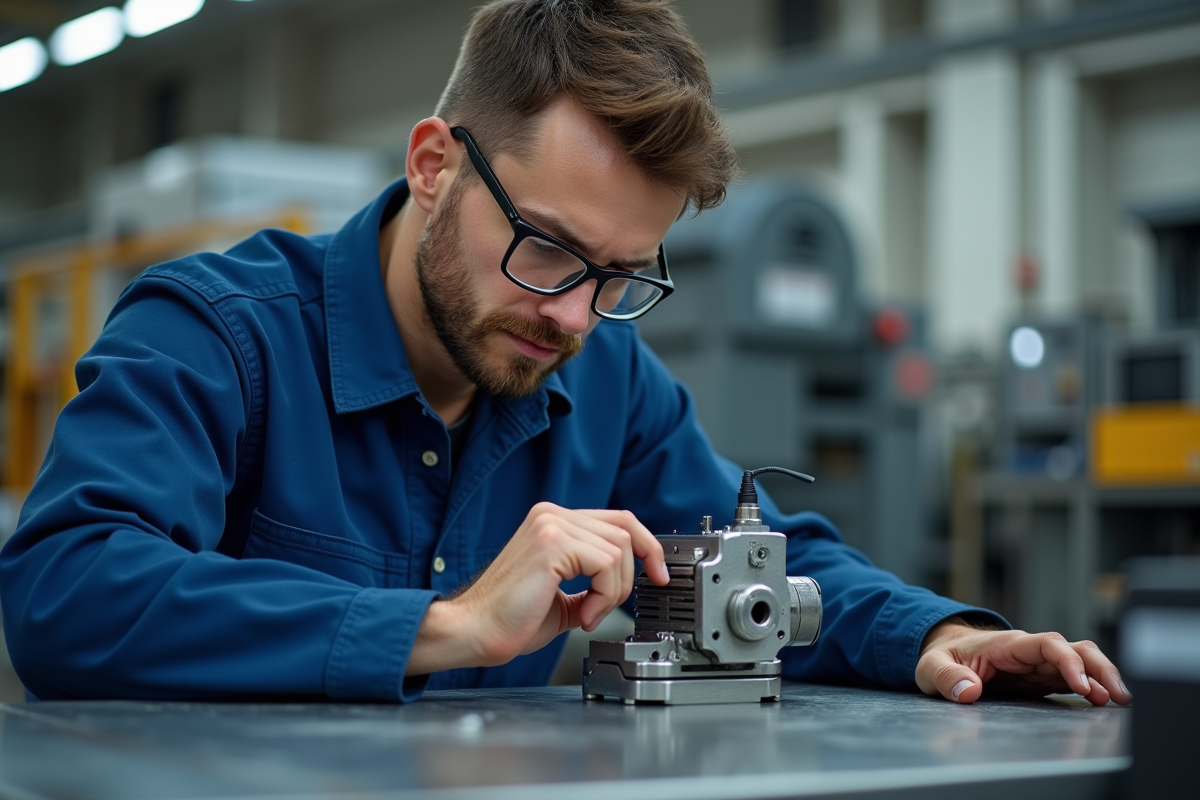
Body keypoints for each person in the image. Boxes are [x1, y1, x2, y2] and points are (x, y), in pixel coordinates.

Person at [0, 0, 1129, 708]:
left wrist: (949, 635)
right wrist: (449, 627)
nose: (578, 318)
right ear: (436, 165)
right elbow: (65, 590)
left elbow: (766, 563)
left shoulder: (602, 377)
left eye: (620, 275)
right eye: (549, 249)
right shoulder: (217, 333)